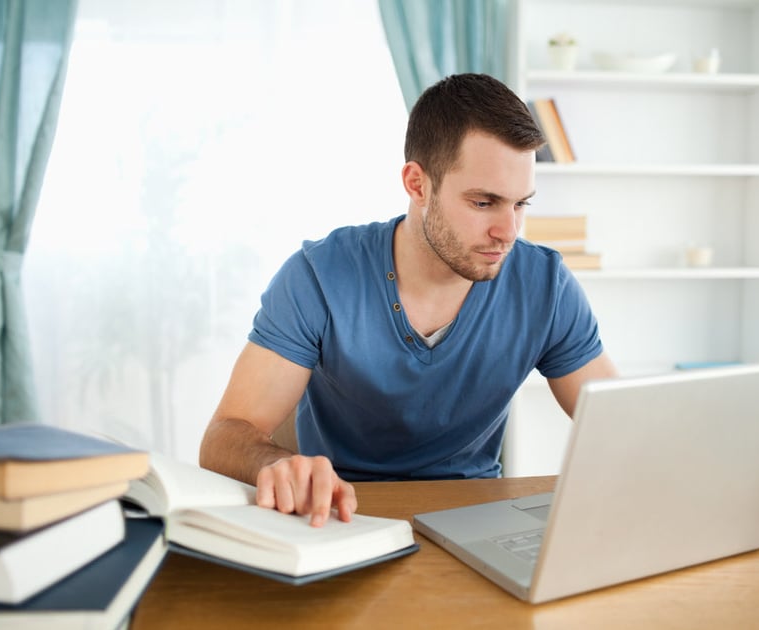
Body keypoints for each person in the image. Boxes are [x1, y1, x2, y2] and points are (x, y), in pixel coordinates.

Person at [199, 73, 617, 527]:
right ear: (417, 184)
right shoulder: (318, 276)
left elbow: (621, 424)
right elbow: (224, 436)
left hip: (476, 518)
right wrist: (274, 464)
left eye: (520, 204)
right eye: (483, 203)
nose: (508, 232)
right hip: (338, 515)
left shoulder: (545, 286)